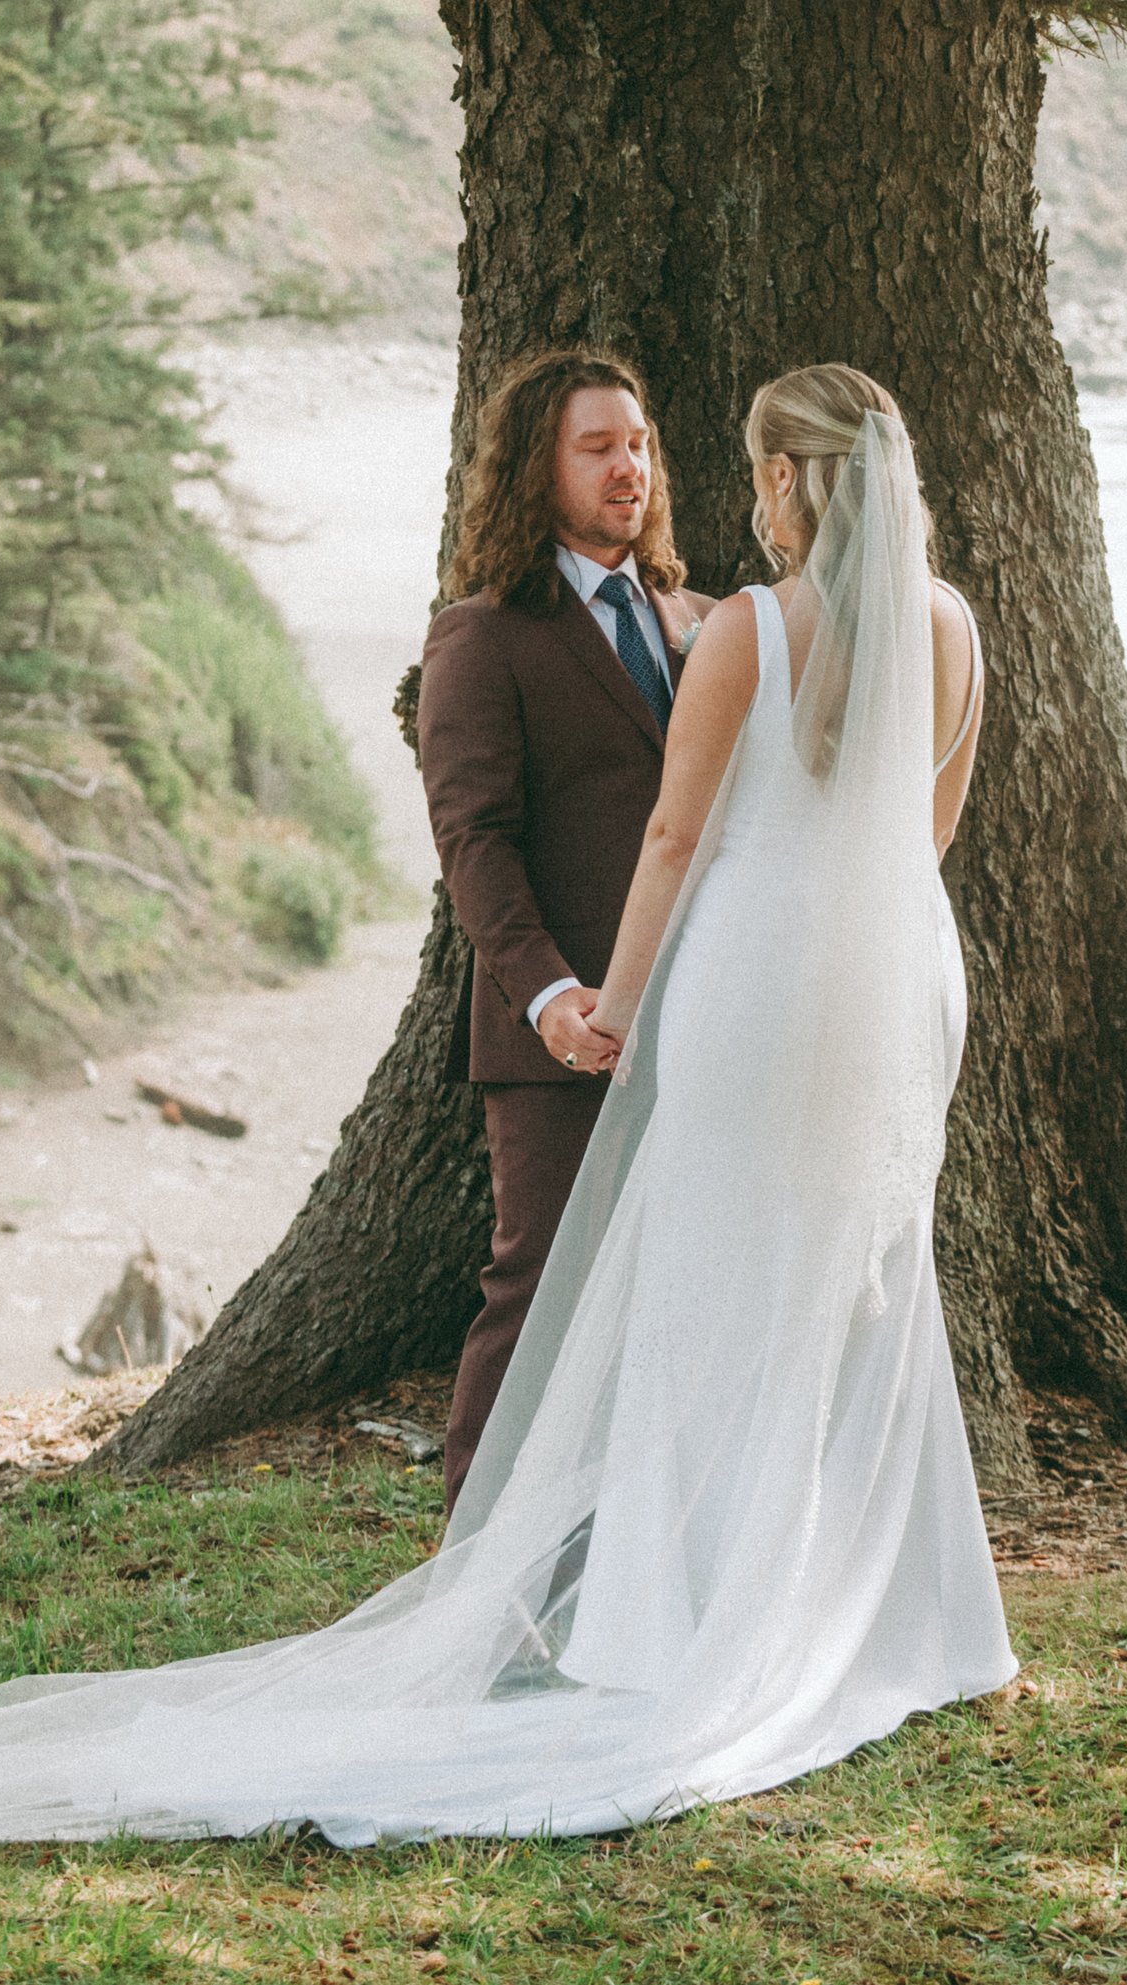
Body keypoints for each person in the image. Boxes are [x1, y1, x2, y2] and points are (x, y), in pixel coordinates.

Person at [0, 364, 1014, 1853]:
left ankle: (684, 1618)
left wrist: (625, 996)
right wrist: (598, 988)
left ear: (795, 480)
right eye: (602, 446)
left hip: (742, 977)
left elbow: (678, 830)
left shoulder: (732, 623)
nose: (647, 472)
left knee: (714, 1283)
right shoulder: (949, 630)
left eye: (670, 452)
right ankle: (852, 1604)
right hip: (889, 985)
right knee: (852, 1279)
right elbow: (911, 840)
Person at [414, 348, 714, 1506]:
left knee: (675, 1292)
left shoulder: (697, 621)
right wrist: (550, 996)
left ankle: (625, 1555)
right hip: (561, 1036)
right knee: (538, 1290)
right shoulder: (484, 635)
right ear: (537, 471)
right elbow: (472, 840)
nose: (626, 467)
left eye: (637, 444)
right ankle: (475, 1567)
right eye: (597, 447)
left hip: (697, 1015)